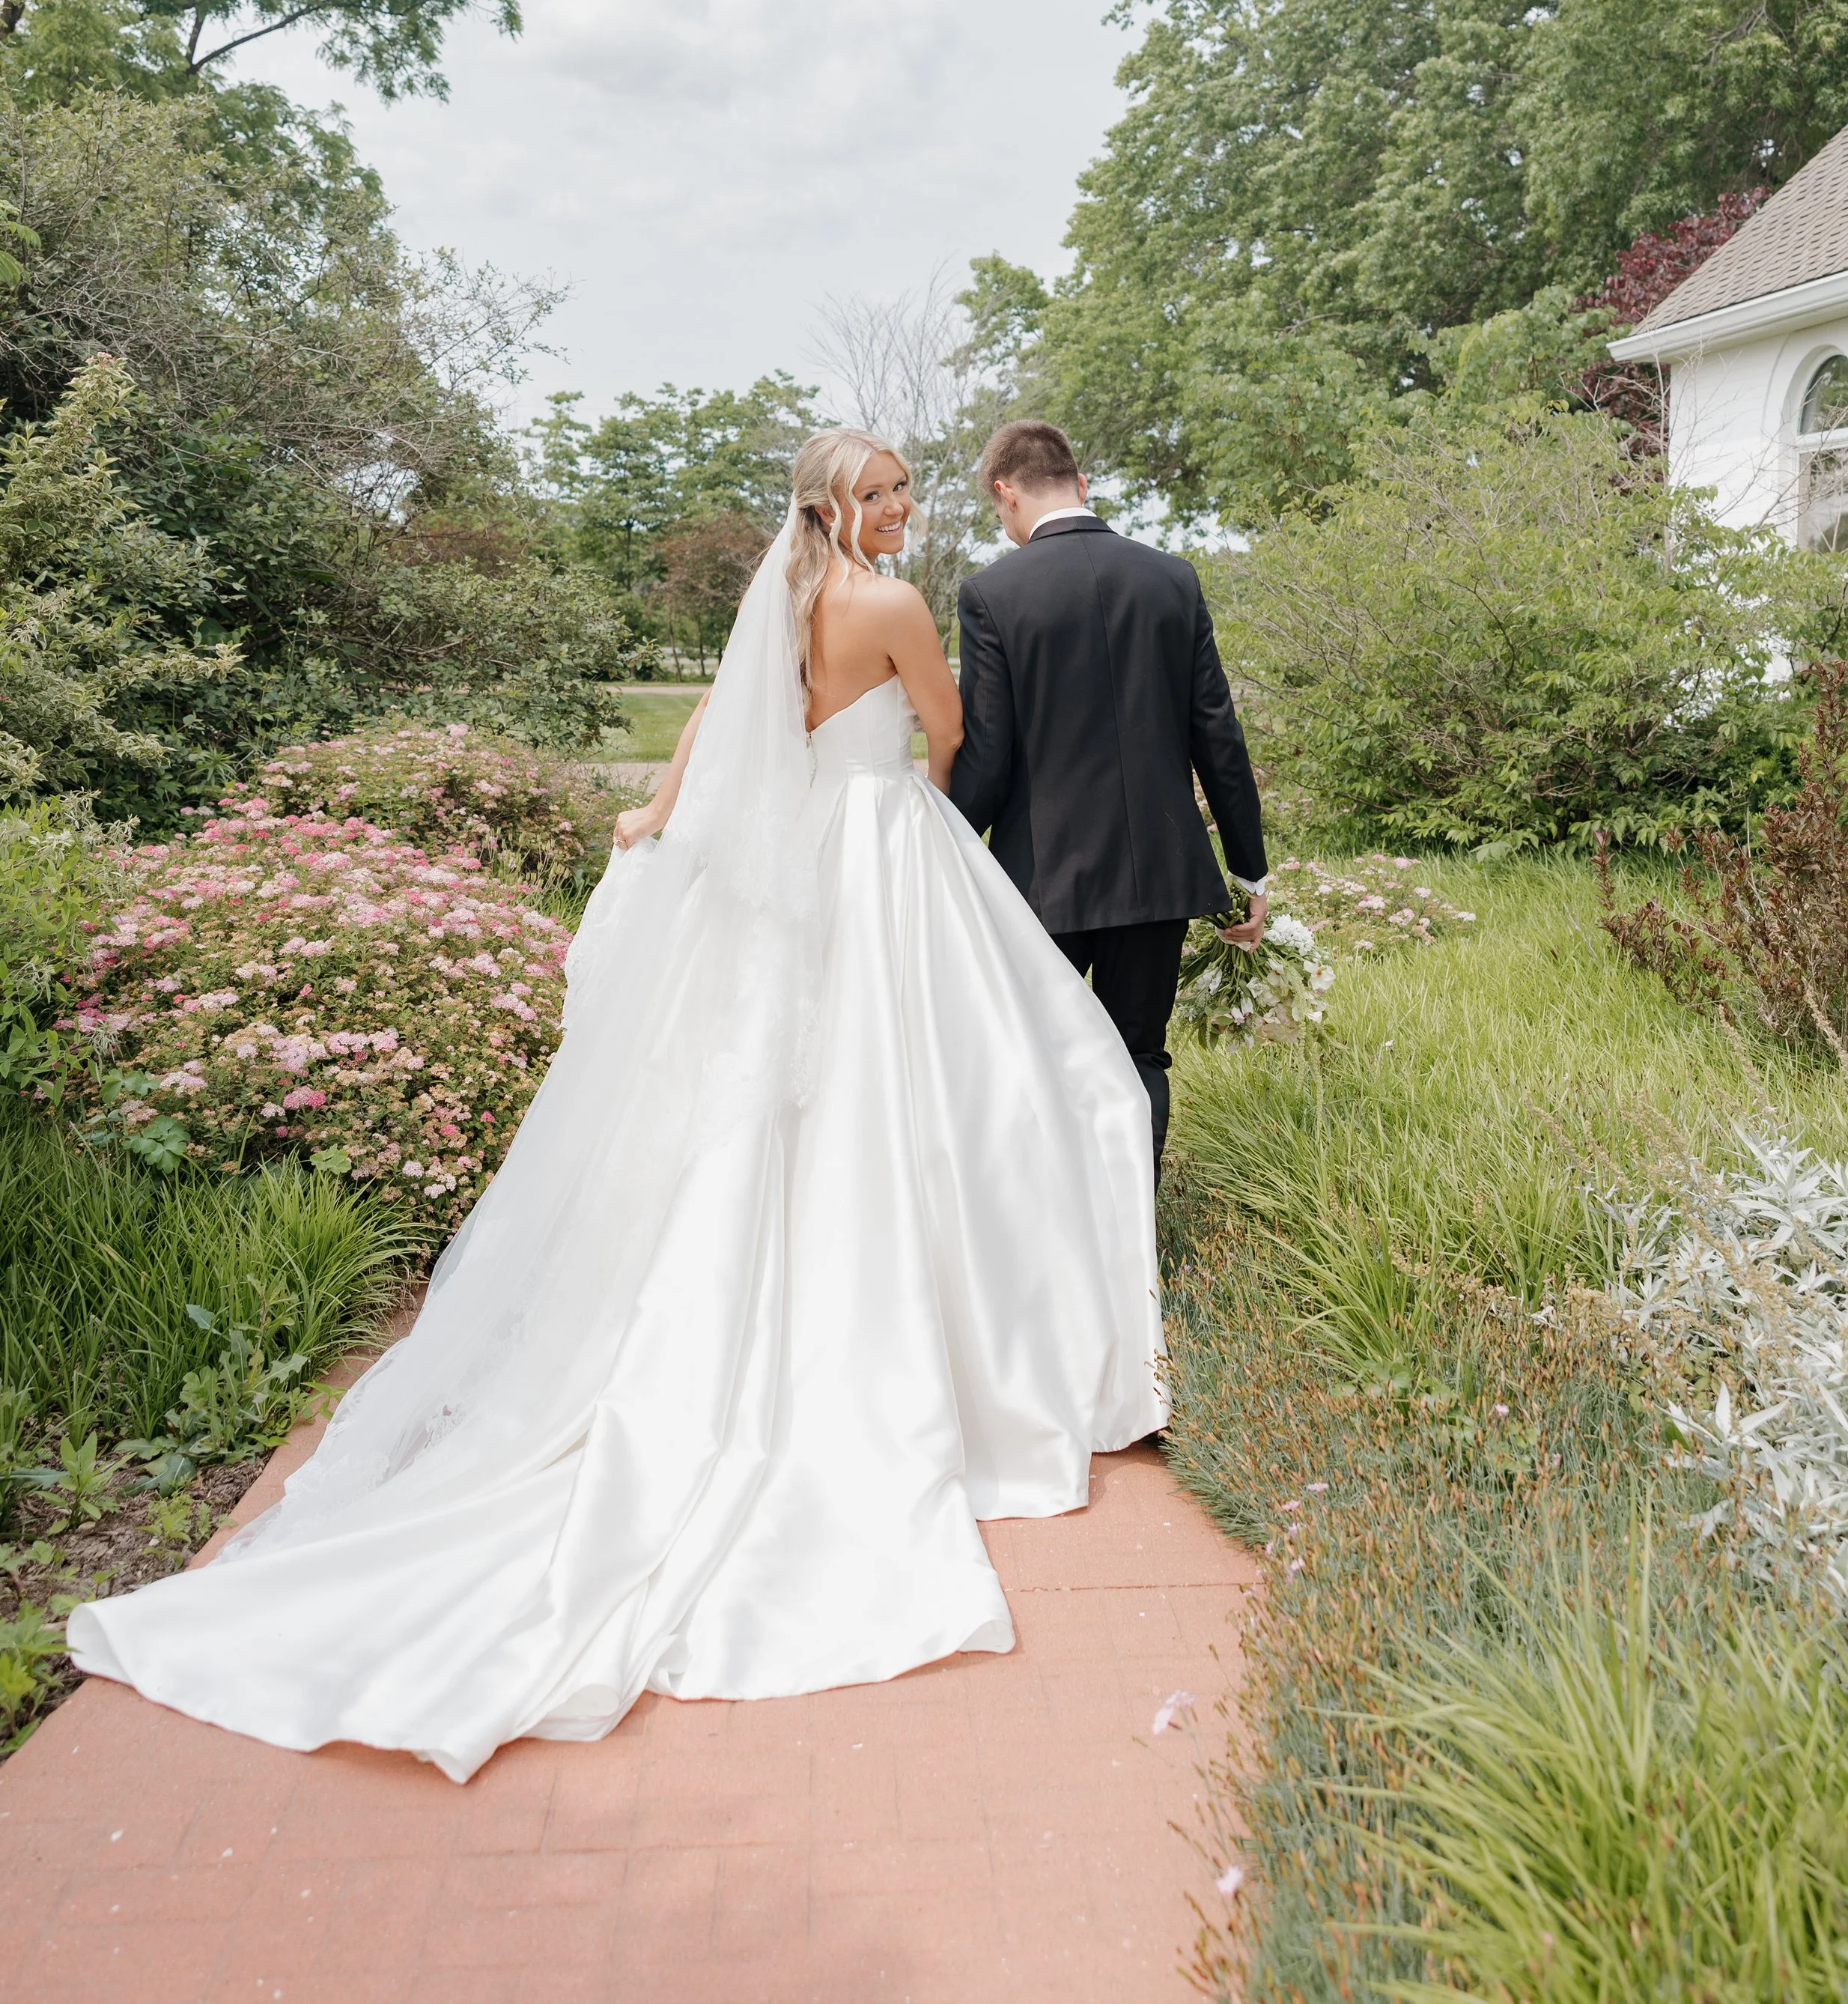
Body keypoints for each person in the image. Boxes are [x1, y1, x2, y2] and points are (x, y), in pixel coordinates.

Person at [67, 431, 1165, 1784]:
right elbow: (946, 736)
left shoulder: (781, 600)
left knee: (797, 1104)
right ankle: (959, 1337)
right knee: (998, 1085)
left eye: (902, 491)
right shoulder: (890, 605)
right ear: (835, 505)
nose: (899, 510)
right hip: (883, 851)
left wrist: (657, 811)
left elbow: (720, 721)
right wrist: (912, 825)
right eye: (878, 494)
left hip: (796, 866)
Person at [949, 419, 1268, 1182]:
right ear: (1080, 482)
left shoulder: (992, 593)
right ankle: (1134, 1229)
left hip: (1040, 878)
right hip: (1158, 872)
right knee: (1139, 1053)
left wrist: (947, 850)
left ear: (1005, 491)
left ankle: (1061, 1227)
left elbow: (987, 756)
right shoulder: (1172, 578)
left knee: (1041, 1052)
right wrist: (1248, 870)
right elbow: (1217, 737)